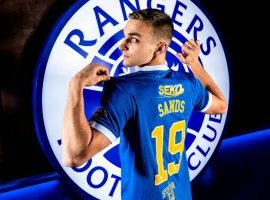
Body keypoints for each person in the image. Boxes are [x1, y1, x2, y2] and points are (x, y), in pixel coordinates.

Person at [61, 8, 227, 200]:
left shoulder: (124, 90)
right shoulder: (187, 83)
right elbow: (221, 105)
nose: (121, 45)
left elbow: (74, 156)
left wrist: (76, 85)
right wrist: (194, 64)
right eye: (125, 37)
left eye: (134, 39)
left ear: (160, 48)